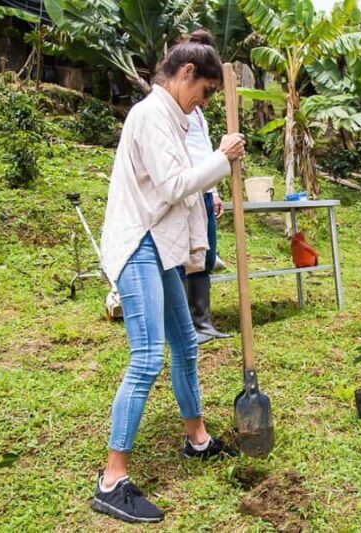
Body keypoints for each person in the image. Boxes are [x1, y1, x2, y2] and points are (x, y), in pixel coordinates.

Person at [93, 30, 246, 524]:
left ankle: (197, 439)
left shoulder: (174, 118)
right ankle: (112, 479)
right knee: (146, 359)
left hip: (161, 246)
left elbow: (182, 184)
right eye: (203, 91)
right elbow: (176, 184)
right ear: (185, 75)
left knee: (186, 343)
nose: (202, 101)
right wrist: (222, 160)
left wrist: (217, 161)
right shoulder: (150, 115)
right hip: (139, 242)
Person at [182, 104, 232, 344]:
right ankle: (186, 327)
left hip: (205, 191)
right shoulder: (174, 110)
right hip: (187, 190)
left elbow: (202, 152)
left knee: (207, 257)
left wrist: (213, 192)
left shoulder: (197, 112)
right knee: (187, 259)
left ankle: (204, 323)